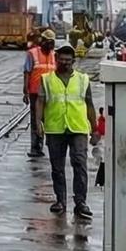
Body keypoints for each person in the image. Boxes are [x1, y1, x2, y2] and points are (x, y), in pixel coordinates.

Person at [42, 43, 99, 220]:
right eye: (62, 59)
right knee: (57, 167)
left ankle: (81, 202)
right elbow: (39, 102)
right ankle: (60, 201)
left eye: (68, 60)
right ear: (56, 59)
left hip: (78, 128)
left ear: (73, 61)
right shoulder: (47, 79)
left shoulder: (83, 79)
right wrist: (37, 123)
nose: (65, 62)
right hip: (55, 128)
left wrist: (95, 128)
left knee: (79, 163)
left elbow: (89, 104)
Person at [22, 29, 57, 158]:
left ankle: (48, 145)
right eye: (48, 42)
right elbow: (27, 72)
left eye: (52, 42)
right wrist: (25, 91)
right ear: (42, 41)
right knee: (36, 120)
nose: (50, 45)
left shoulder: (54, 54)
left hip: (51, 93)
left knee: (49, 120)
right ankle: (36, 147)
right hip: (35, 93)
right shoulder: (32, 53)